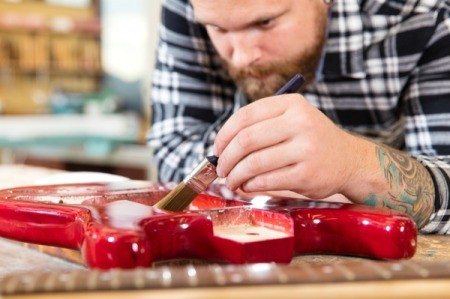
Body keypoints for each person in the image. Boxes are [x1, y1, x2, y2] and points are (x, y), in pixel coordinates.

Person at [148, 0, 450, 234]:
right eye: (218, 29)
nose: (241, 57)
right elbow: (172, 147)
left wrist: (351, 165)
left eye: (265, 22)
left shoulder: (423, 13)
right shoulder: (191, 6)